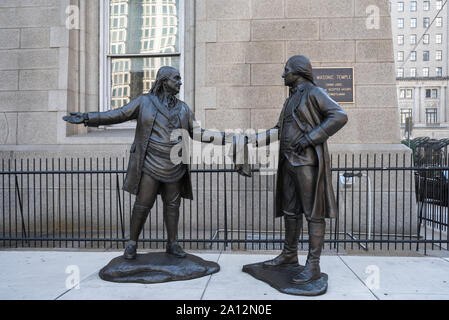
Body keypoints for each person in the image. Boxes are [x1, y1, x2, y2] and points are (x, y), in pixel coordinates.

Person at [63, 66, 226, 260]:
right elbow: (119, 114)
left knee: (173, 206)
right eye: (176, 79)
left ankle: (172, 243)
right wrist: (88, 118)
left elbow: (199, 133)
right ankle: (132, 243)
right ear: (164, 81)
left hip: (175, 165)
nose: (180, 83)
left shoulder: (183, 108)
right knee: (143, 204)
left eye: (180, 79)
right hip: (150, 163)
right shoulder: (144, 102)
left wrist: (228, 138)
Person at [250, 55, 348, 284]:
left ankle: (313, 265)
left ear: (298, 72)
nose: (283, 75)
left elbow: (339, 115)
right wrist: (252, 141)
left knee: (313, 213)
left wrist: (311, 138)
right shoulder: (290, 100)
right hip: (287, 162)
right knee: (290, 211)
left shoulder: (314, 93)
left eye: (286, 70)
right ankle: (289, 254)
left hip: (305, 163)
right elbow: (277, 130)